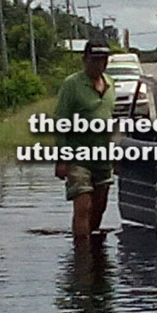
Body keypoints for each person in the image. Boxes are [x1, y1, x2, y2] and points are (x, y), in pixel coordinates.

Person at [54, 40, 115, 244]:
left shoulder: (109, 84)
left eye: (103, 60)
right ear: (85, 60)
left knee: (99, 208)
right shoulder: (72, 84)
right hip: (78, 156)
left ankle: (94, 250)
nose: (99, 65)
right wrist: (61, 160)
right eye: (95, 60)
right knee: (83, 205)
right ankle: (81, 255)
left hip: (103, 158)